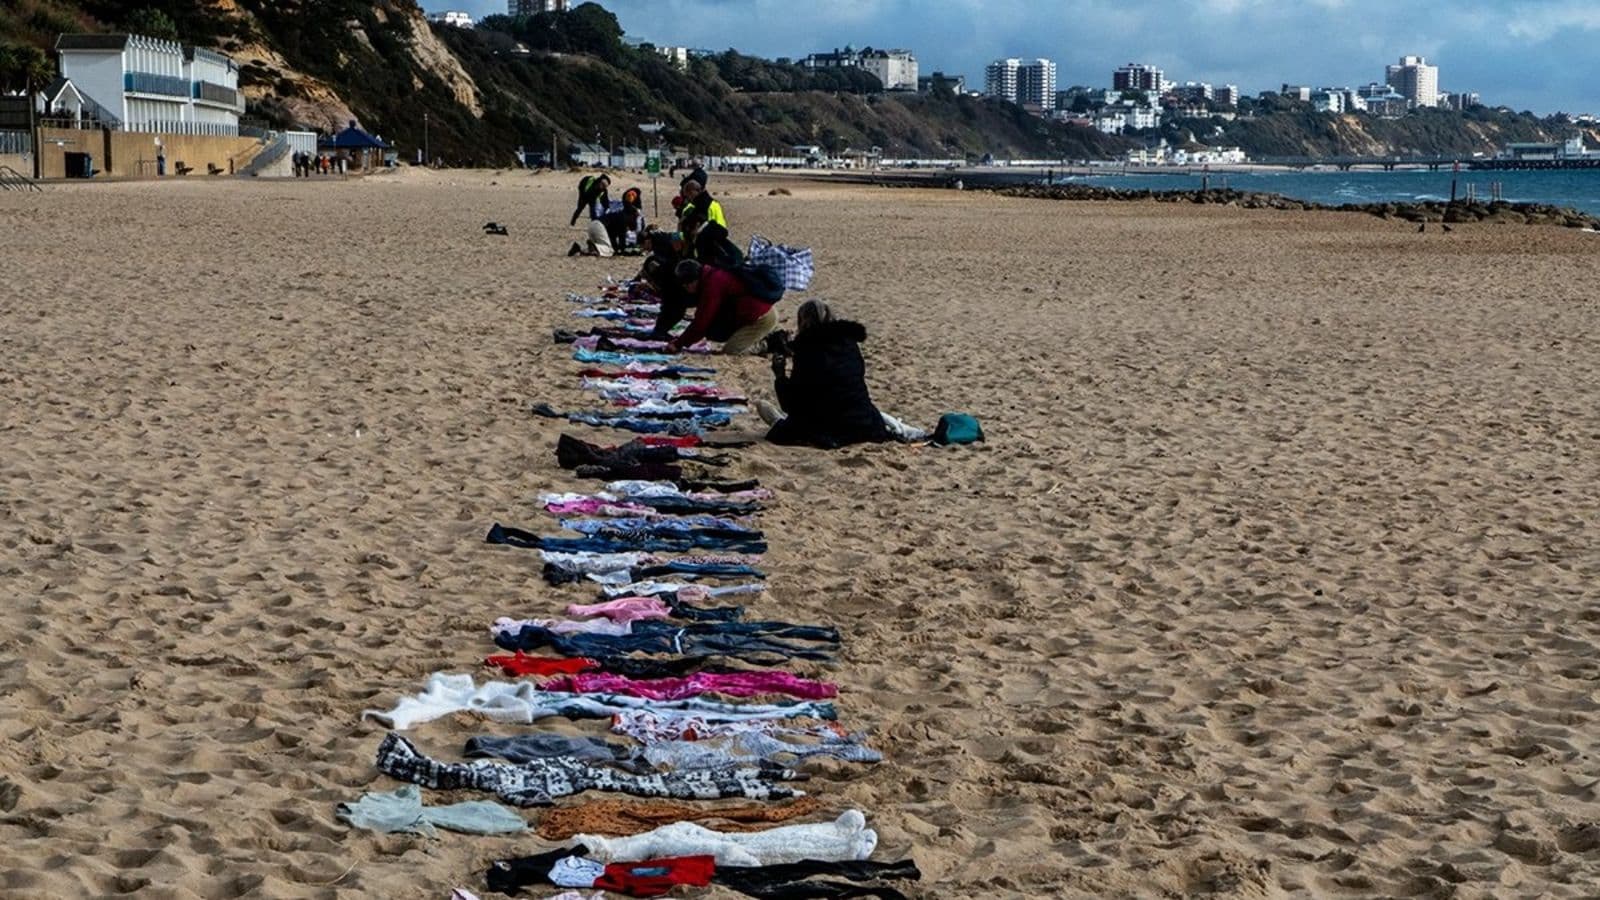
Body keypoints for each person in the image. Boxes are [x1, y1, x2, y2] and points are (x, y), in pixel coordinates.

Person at [757, 300, 904, 449]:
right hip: (864, 420)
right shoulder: (849, 343)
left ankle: (778, 422)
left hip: (832, 424)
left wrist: (780, 376)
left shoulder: (808, 351)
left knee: (787, 427)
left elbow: (793, 404)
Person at [667, 259, 777, 355]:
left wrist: (678, 344)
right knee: (714, 330)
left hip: (761, 318)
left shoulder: (712, 285)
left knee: (732, 351)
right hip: (754, 313)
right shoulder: (712, 275)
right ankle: (762, 337)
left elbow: (702, 322)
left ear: (692, 281)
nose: (686, 288)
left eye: (686, 285)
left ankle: (770, 343)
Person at [572, 202, 642, 258]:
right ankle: (592, 245)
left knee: (600, 247)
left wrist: (617, 249)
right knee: (609, 250)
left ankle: (579, 249)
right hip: (599, 226)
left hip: (593, 225)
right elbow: (622, 238)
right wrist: (623, 250)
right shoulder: (624, 219)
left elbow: (612, 237)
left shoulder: (619, 216)